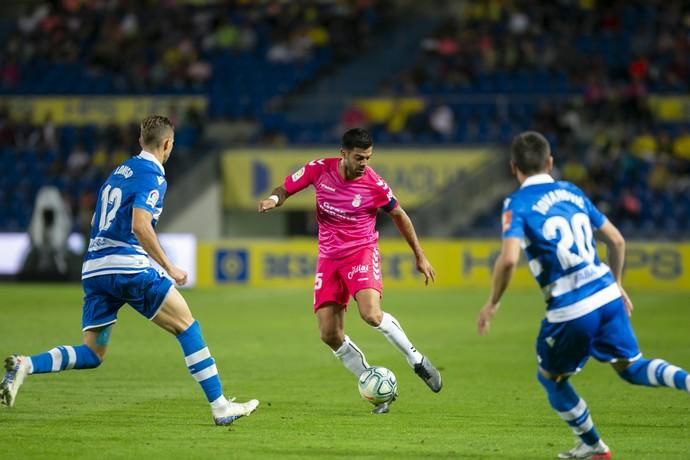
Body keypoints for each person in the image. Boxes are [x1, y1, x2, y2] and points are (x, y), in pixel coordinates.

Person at [1, 115, 259, 426]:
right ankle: (220, 406)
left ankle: (25, 365)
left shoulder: (118, 173)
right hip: (127, 267)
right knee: (187, 326)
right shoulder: (154, 176)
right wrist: (169, 266)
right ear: (167, 144)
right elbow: (140, 225)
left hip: (96, 269)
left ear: (140, 140)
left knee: (93, 353)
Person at [477, 131, 689, 459]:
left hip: (570, 307)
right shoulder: (571, 191)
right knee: (632, 367)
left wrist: (492, 302)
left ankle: (593, 446)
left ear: (512, 167)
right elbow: (616, 240)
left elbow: (507, 259)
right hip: (606, 294)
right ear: (550, 162)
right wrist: (617, 284)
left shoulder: (517, 203)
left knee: (551, 378)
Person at [257, 128, 442, 414]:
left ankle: (416, 360)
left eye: (368, 158)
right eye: (359, 158)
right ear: (343, 153)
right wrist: (273, 200)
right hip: (329, 258)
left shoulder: (375, 185)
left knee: (371, 314)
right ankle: (374, 386)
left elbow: (400, 216)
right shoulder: (319, 169)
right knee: (329, 334)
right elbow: (285, 189)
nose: (364, 163)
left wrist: (420, 256)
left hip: (361, 251)